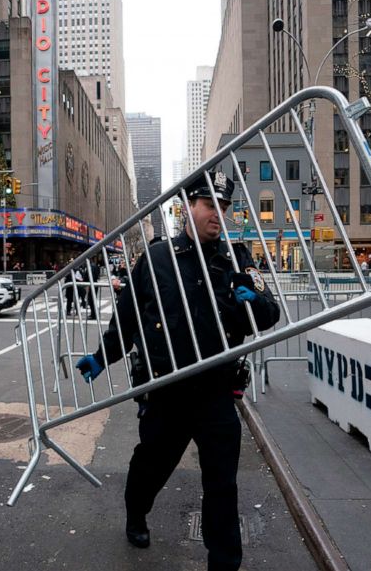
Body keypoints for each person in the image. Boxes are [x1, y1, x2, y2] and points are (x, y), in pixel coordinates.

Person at [75, 171, 280, 571]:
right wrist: (103, 356)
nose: (218, 215)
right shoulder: (157, 258)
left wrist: (251, 301)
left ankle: (224, 563)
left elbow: (268, 314)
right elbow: (129, 315)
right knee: (151, 465)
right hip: (166, 389)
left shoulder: (237, 259)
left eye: (224, 207)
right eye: (209, 205)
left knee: (222, 485)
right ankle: (136, 512)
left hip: (217, 392)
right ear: (187, 207)